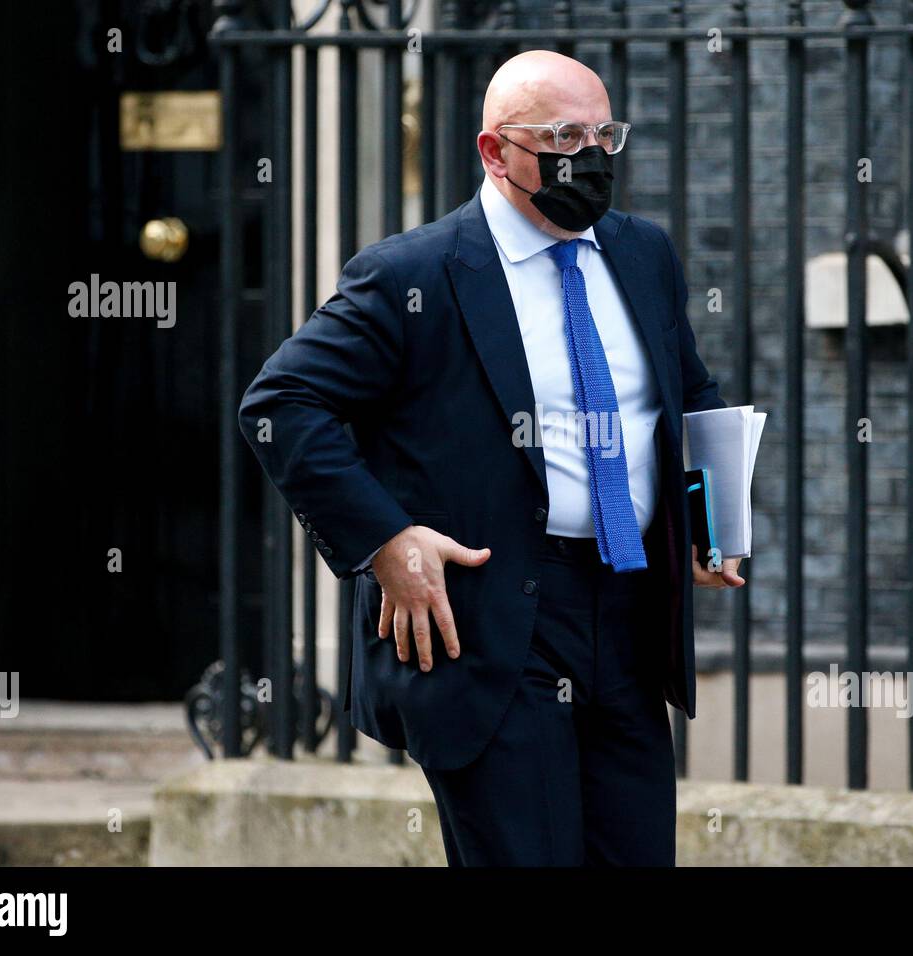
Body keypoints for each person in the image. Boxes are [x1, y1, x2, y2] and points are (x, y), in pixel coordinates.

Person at [239, 49, 743, 866]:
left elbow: (687, 396)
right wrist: (387, 540)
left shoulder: (642, 254)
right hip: (492, 627)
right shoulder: (413, 274)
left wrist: (707, 516)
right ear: (493, 151)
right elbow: (281, 406)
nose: (589, 156)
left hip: (626, 619)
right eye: (562, 136)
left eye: (603, 134)